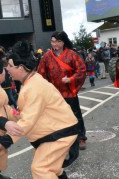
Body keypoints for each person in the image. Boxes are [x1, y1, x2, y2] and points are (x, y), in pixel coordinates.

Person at [0, 41, 79, 179]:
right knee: (47, 161)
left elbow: (26, 123)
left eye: (10, 66)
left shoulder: (34, 86)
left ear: (20, 67)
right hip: (53, 130)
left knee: (40, 167)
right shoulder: (31, 82)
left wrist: (1, 141)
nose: (7, 70)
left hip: (60, 131)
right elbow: (28, 114)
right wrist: (15, 115)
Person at [37, 30, 87, 165]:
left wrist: (71, 79)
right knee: (57, 119)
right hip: (54, 95)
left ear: (63, 42)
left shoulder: (72, 55)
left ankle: (81, 137)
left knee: (75, 116)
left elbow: (82, 70)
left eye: (57, 41)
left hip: (69, 92)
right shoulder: (47, 57)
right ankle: (62, 141)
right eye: (52, 41)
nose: (54, 44)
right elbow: (41, 74)